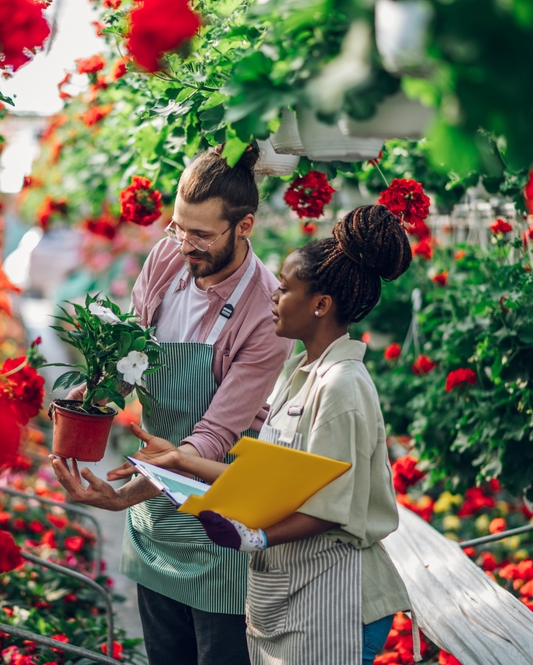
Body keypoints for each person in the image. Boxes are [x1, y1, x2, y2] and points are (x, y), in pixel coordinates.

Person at [119, 204, 414, 665]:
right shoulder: (301, 371)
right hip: (300, 590)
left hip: (337, 594)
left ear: (320, 305)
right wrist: (179, 460)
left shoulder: (342, 386)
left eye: (286, 287)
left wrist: (252, 538)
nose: (273, 295)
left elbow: (332, 508)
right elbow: (276, 477)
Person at [50, 145, 294, 665]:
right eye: (179, 228)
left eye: (202, 234)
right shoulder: (167, 259)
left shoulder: (264, 310)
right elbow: (129, 355)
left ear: (244, 225)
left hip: (217, 521)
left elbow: (211, 439)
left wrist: (127, 495)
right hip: (155, 517)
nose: (186, 244)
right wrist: (94, 397)